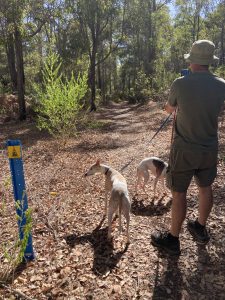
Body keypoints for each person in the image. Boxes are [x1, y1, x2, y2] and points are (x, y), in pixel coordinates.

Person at [151, 40, 225, 255]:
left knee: (179, 193)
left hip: (184, 150)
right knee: (205, 188)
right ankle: (199, 227)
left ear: (192, 61)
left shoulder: (180, 83)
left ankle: (173, 239)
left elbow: (168, 109)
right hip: (209, 148)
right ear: (209, 61)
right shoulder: (221, 84)